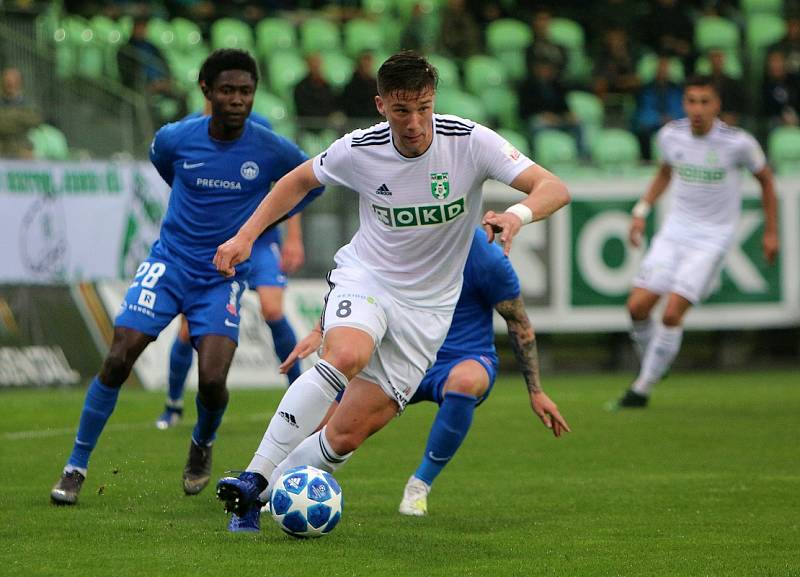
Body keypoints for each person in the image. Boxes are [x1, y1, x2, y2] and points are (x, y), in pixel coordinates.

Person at [211, 50, 571, 531]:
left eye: (424, 107)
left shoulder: (469, 142)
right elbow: (296, 181)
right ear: (381, 105)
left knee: (344, 436)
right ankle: (254, 477)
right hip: (370, 278)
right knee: (345, 355)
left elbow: (552, 186)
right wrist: (246, 236)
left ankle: (257, 500)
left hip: (427, 312)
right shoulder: (360, 149)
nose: (416, 122)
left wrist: (516, 214)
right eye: (403, 110)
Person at [49, 48, 323, 505]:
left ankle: (202, 443)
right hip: (170, 264)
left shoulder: (269, 147)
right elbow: (165, 167)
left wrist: (258, 228)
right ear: (206, 91)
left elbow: (310, 182)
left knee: (214, 380)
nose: (237, 99)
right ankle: (75, 466)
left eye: (246, 91)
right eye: (228, 90)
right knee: (120, 355)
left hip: (222, 276)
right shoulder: (175, 139)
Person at [279, 227, 569, 519]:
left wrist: (536, 391)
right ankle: (280, 487)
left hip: (461, 356)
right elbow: (354, 280)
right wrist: (319, 330)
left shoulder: (486, 258)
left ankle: (420, 485)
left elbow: (519, 322)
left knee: (466, 381)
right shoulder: (400, 237)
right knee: (333, 429)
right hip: (401, 354)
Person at [612, 75, 779, 409]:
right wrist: (641, 210)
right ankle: (656, 365)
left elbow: (766, 181)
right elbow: (664, 172)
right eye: (691, 101)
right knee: (637, 307)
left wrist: (771, 232)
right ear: (683, 103)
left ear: (717, 105)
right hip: (675, 231)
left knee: (672, 314)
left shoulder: (738, 143)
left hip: (712, 239)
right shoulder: (670, 135)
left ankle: (641, 389)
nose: (697, 109)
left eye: (705, 101)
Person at [155, 90, 307, 429]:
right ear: (207, 90)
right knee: (187, 329)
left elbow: (292, 182)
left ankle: (300, 397)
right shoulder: (188, 129)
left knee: (273, 309)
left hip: (261, 236)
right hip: (214, 241)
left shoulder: (258, 128)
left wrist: (293, 238)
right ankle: (173, 404)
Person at [631, 54, 685, 160]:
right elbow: (643, 111)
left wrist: (671, 118)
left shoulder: (678, 89)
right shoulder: (645, 89)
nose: (662, 70)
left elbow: (681, 109)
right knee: (642, 132)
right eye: (660, 67)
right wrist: (659, 119)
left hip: (674, 122)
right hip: (653, 124)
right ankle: (646, 161)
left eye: (665, 67)